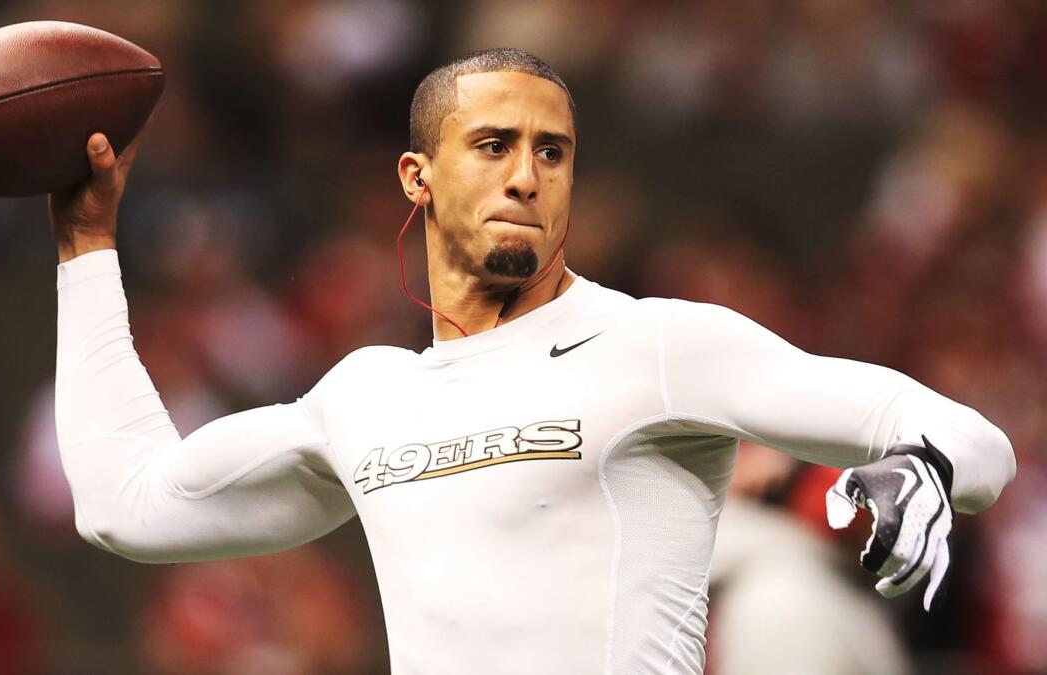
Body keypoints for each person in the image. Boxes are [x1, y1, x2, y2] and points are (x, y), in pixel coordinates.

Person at [50, 49, 1016, 674]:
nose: (526, 174)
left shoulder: (662, 345)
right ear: (416, 177)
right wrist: (87, 246)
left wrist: (920, 465)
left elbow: (974, 440)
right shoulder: (363, 396)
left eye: (553, 152)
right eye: (494, 144)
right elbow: (121, 505)